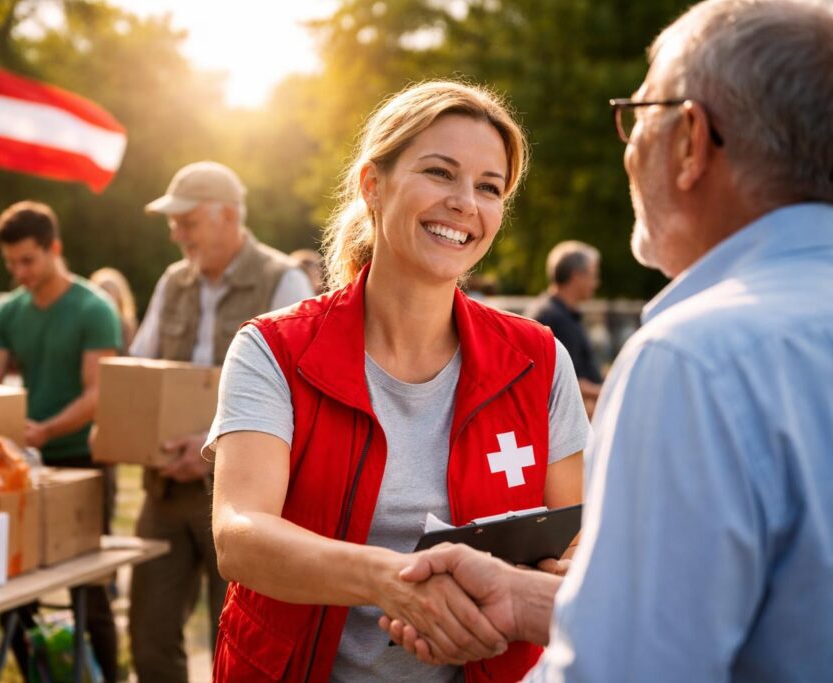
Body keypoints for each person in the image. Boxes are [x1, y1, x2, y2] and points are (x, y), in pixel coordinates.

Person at [383, 1, 833, 680]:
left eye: (638, 114)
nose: (627, 148)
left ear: (688, 139)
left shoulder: (695, 362)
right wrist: (534, 599)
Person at [209, 81, 588, 683]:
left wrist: (556, 580)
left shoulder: (538, 360)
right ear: (372, 185)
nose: (466, 202)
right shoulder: (274, 350)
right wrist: (395, 584)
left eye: (489, 187)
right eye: (441, 173)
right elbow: (240, 535)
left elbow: (579, 533)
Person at [127, 160, 314, 682]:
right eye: (173, 223)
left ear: (228, 217)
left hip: (247, 496)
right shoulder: (172, 282)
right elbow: (141, 367)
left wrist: (206, 448)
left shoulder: (283, 281)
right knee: (149, 635)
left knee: (237, 640)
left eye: (186, 221)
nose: (175, 233)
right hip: (165, 488)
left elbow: (297, 393)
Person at [0, 200, 122, 681]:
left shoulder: (93, 308)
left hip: (83, 458)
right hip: (22, 466)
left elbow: (99, 392)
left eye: (28, 260)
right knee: (11, 584)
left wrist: (46, 429)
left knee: (90, 586)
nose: (19, 272)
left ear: (53, 249)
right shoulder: (8, 312)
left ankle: (110, 676)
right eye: (10, 262)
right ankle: (45, 674)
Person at [524, 242, 603, 414]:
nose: (596, 283)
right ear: (577, 276)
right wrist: (608, 392)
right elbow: (567, 381)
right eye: (593, 276)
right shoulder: (554, 318)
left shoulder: (554, 312)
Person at [90, 267, 138, 350]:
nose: (104, 296)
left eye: (108, 291)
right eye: (101, 290)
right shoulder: (88, 323)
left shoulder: (127, 326)